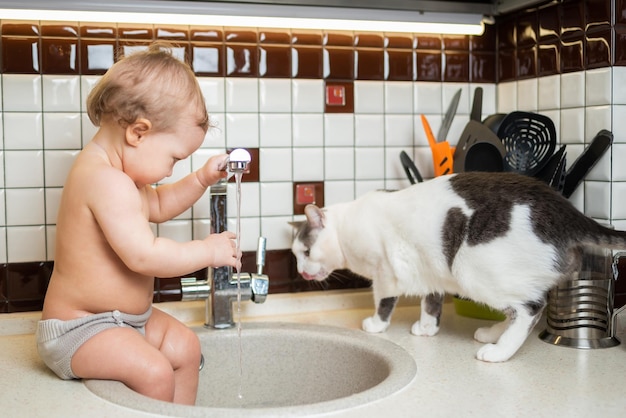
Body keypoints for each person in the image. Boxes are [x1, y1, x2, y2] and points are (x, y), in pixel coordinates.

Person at [35, 42, 240, 405]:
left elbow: (158, 204)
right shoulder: (103, 180)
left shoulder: (124, 177)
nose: (170, 169)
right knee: (154, 372)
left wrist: (200, 180)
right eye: (174, 158)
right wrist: (207, 251)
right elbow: (144, 256)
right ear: (138, 133)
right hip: (80, 328)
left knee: (186, 348)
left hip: (126, 321)